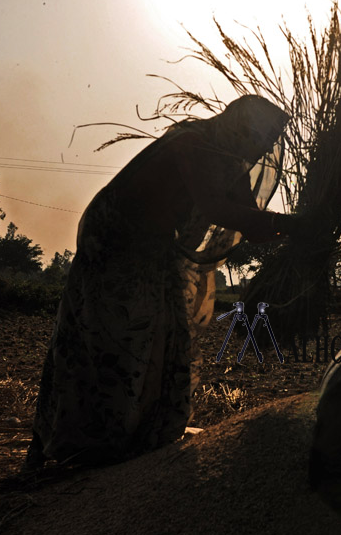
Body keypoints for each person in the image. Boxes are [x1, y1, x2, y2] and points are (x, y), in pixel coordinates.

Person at [27, 95, 295, 469]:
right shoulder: (194, 141)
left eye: (274, 137)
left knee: (160, 330)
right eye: (267, 134)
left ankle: (138, 431)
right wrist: (292, 224)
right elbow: (218, 208)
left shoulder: (232, 159)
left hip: (155, 243)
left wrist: (300, 231)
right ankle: (81, 442)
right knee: (108, 329)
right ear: (243, 124)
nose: (268, 145)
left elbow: (249, 222)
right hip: (116, 234)